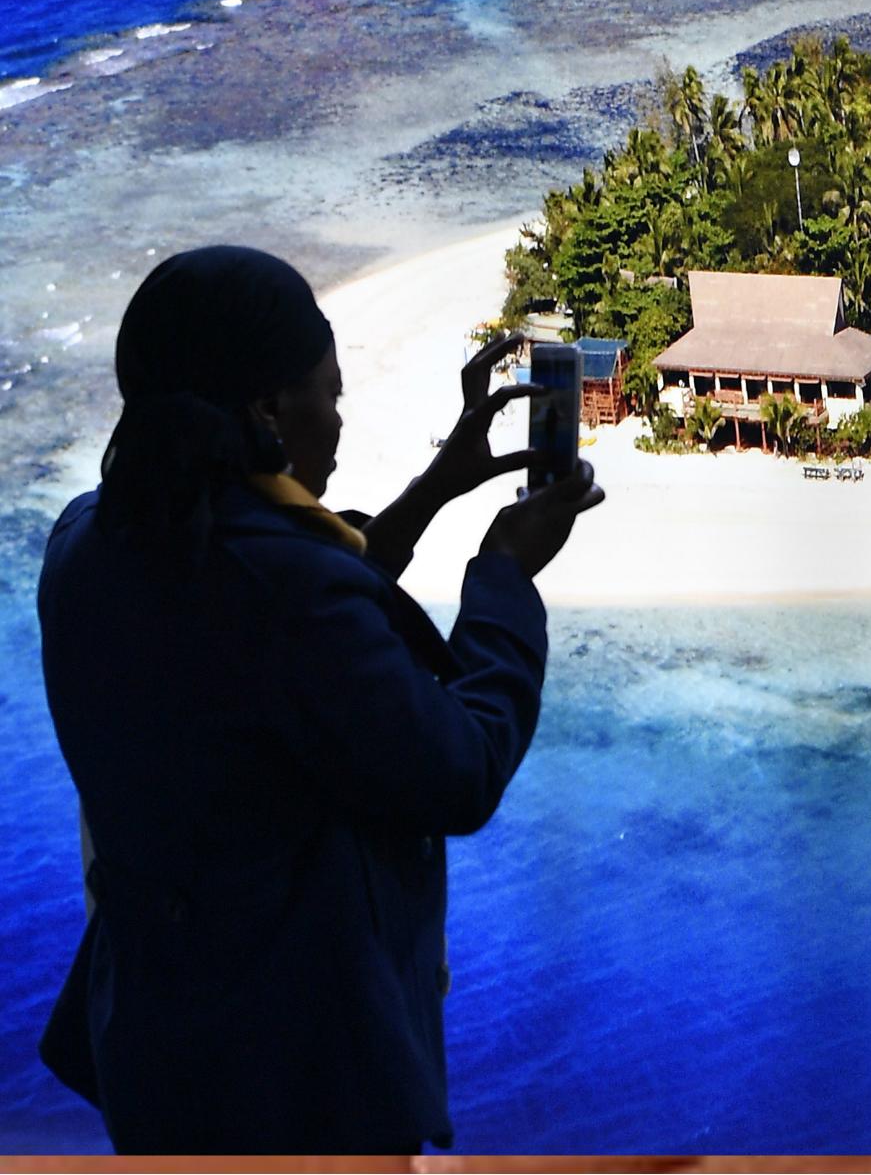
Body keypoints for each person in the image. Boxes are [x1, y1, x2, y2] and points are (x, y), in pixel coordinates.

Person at [35, 246, 604, 1154]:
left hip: (157, 1048)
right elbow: (459, 767)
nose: (339, 418)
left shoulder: (87, 543)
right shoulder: (284, 595)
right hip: (296, 1080)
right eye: (330, 394)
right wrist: (501, 577)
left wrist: (430, 492)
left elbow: (265, 635)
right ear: (266, 408)